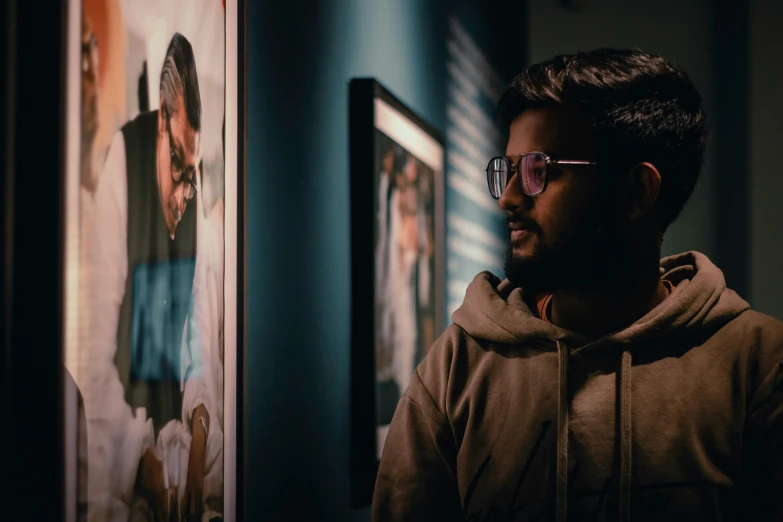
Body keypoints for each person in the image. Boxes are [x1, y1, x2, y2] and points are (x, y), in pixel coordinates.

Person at [373, 48, 783, 521]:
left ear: (636, 191)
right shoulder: (456, 368)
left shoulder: (759, 366)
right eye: (508, 171)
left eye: (539, 172)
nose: (507, 198)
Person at [81, 32, 211, 522]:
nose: (183, 194)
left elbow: (197, 343)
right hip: (116, 476)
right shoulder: (124, 162)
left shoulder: (193, 197)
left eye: (192, 175)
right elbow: (93, 357)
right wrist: (138, 457)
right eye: (177, 162)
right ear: (161, 120)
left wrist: (199, 429)